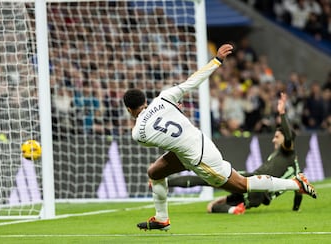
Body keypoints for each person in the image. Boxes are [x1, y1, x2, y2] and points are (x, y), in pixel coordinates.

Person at [123, 44, 317, 231]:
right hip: (195, 144)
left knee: (242, 185)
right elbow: (193, 80)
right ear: (145, 101)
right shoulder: (164, 98)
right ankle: (161, 219)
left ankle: (296, 183)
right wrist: (217, 60)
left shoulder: (138, 134)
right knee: (155, 172)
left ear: (129, 110)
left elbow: (160, 137)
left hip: (200, 158)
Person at [168, 93, 303, 215]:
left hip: (253, 182)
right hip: (256, 196)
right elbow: (299, 190)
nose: (274, 139)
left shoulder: (288, 152)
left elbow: (289, 137)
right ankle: (233, 209)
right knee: (211, 207)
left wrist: (282, 113)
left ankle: (166, 182)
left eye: (277, 137)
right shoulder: (294, 167)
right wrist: (296, 209)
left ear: (286, 139)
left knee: (206, 179)